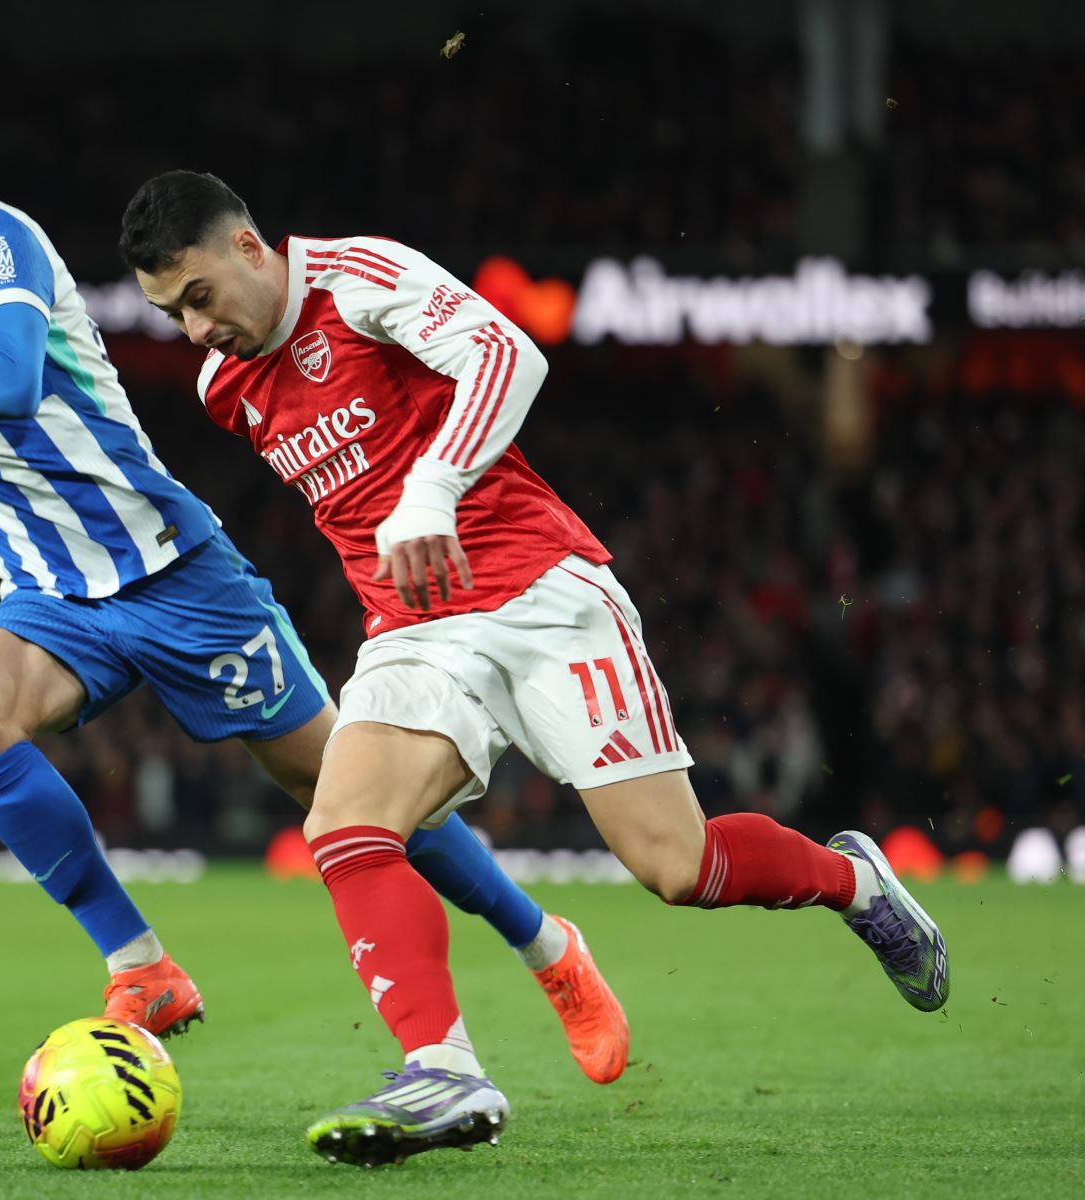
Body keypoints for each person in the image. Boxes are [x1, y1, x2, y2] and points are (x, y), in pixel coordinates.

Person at [119, 170, 949, 1167]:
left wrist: (432, 492)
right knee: (344, 821)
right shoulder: (226, 389)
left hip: (541, 595)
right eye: (171, 315)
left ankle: (852, 883)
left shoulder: (357, 279)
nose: (194, 330)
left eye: (199, 297)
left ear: (250, 247)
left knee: (677, 868)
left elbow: (506, 355)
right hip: (417, 631)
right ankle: (444, 1068)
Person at [0, 78, 626, 1074]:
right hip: (50, 592)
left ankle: (547, 947)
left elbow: (6, 377)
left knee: (345, 786)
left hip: (173, 571)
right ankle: (141, 963)